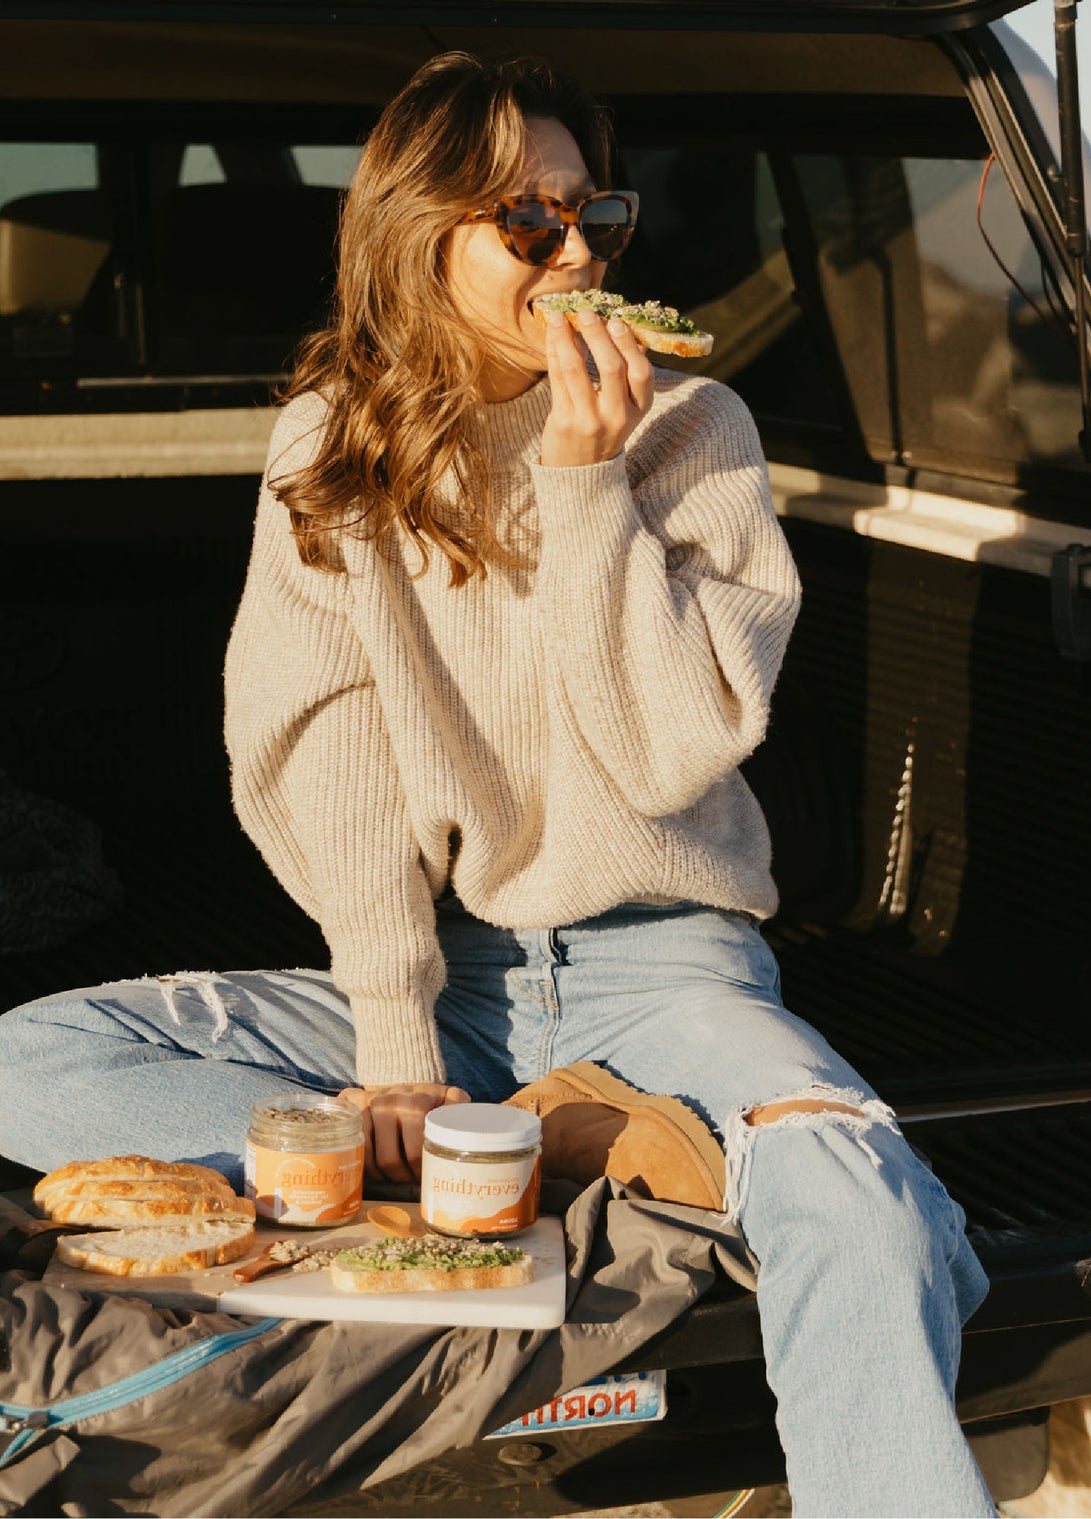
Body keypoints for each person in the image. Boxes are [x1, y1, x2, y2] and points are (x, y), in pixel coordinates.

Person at [0, 54, 994, 1517]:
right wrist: (392, 1042)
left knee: (862, 1207)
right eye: (527, 225)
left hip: (672, 975)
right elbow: (324, 760)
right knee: (28, 1056)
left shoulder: (695, 434)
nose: (578, 252)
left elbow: (671, 750)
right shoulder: (333, 445)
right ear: (421, 238)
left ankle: (517, 1179)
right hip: (445, 985)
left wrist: (593, 489)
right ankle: (547, 1158)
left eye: (594, 214)